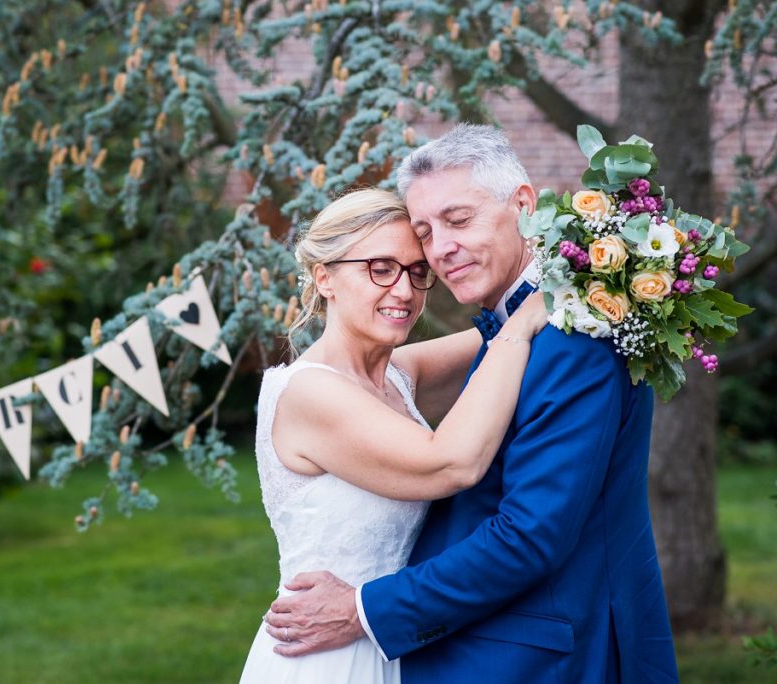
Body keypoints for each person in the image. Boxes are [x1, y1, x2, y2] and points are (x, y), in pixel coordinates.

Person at [263, 124, 680, 683]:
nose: (437, 255)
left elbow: (530, 534)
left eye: (457, 222)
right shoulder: (519, 330)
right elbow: (476, 394)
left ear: (524, 206)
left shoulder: (572, 332)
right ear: (325, 279)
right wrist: (543, 302)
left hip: (539, 654)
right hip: (344, 645)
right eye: (425, 235)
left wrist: (580, 283)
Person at [240, 187, 548, 683]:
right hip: (325, 655)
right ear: (326, 278)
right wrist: (522, 327)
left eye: (416, 271)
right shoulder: (308, 392)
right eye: (379, 268)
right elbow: (454, 462)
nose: (404, 291)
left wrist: (590, 270)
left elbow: (499, 332)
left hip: (393, 641)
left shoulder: (396, 376)